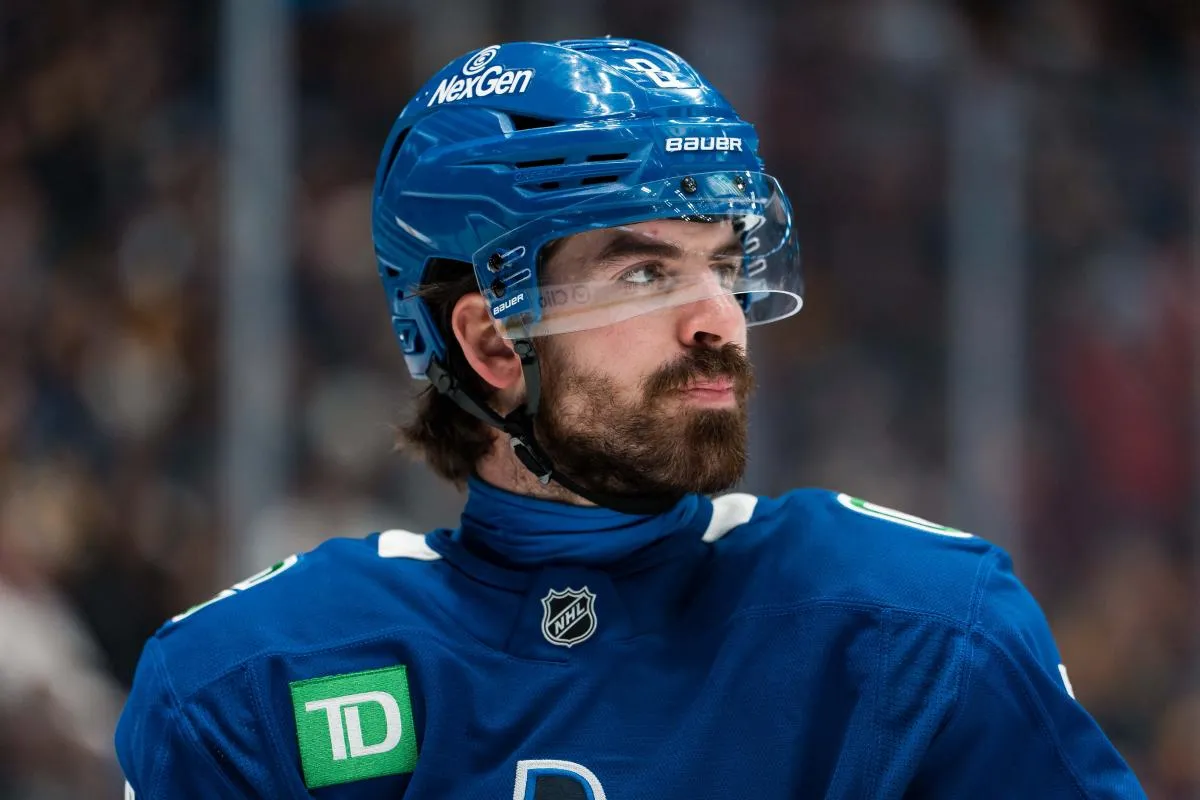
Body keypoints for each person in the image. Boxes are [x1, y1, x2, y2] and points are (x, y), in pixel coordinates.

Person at [116, 38, 1146, 798]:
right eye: (646, 272)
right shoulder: (249, 687)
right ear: (489, 342)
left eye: (725, 265)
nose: (719, 319)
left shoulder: (918, 634)